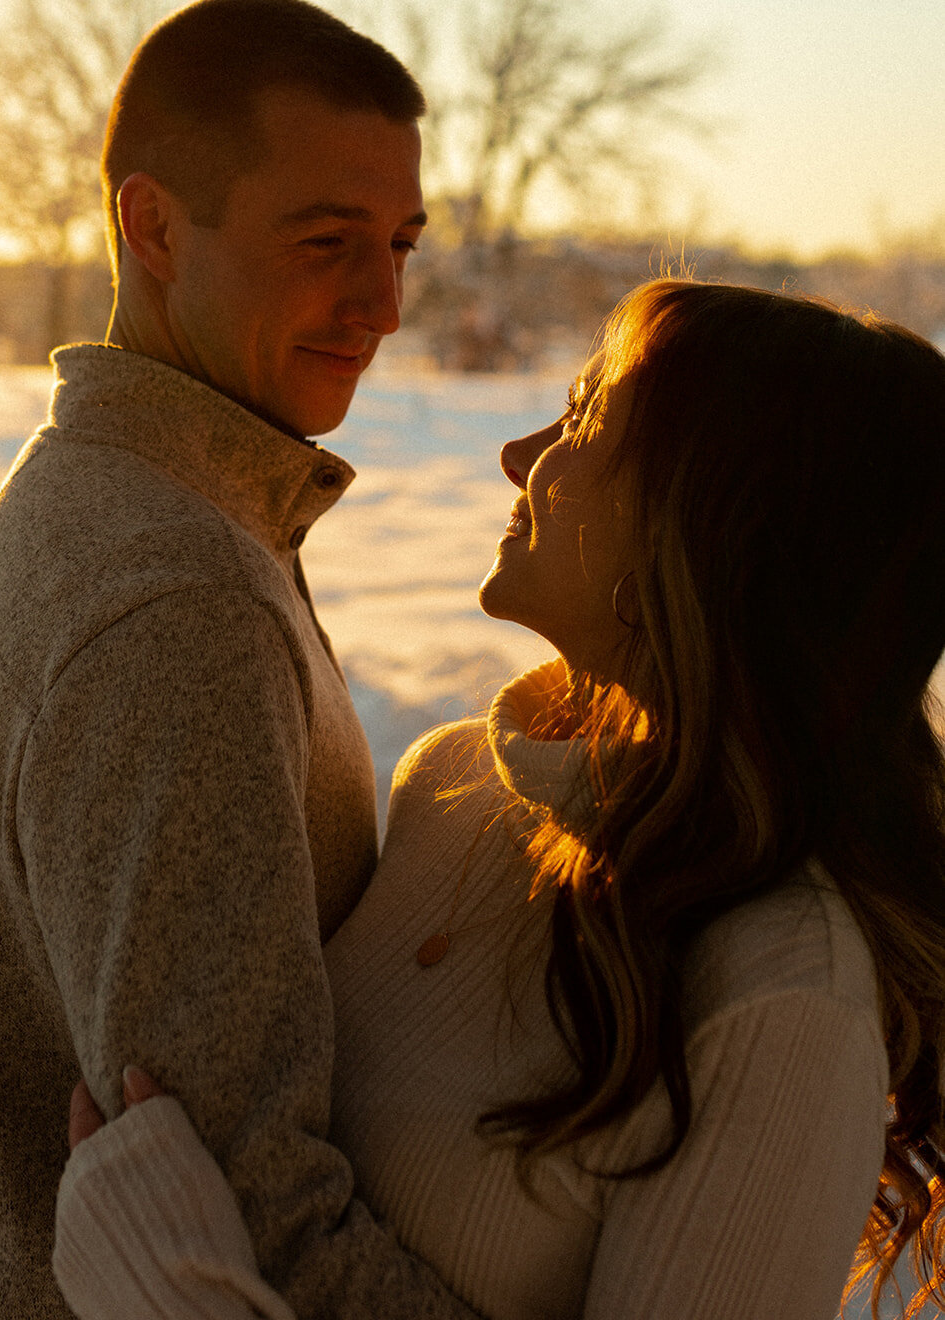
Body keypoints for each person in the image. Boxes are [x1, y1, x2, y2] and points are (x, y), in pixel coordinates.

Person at [53, 278, 945, 1320]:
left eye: (582, 418)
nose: (517, 455)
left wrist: (168, 1287)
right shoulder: (451, 787)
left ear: (707, 526)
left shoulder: (780, 990)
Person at [0, 0, 484, 1319]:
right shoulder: (174, 597)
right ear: (152, 226)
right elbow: (245, 1217)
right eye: (325, 240)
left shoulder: (113, 491)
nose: (383, 303)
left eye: (398, 242)